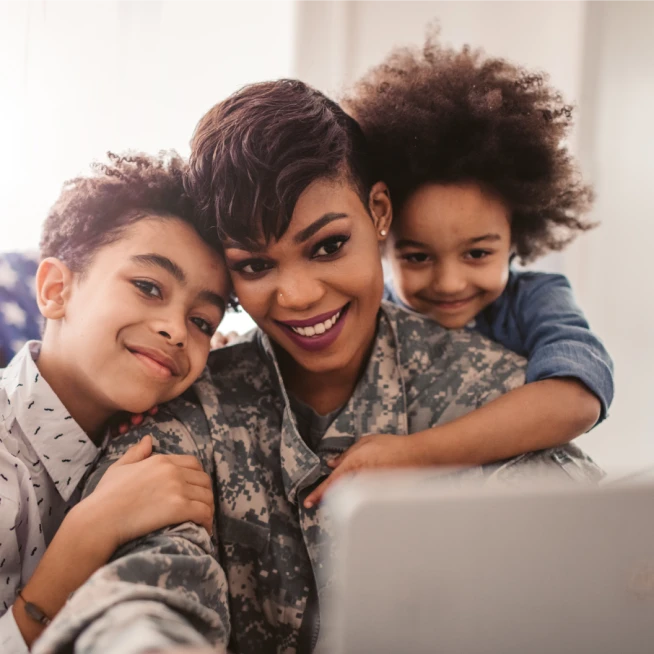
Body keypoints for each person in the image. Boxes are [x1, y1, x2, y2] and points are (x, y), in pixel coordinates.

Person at [33, 81, 601, 654]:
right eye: (256, 264)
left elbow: (597, 563)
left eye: (328, 246)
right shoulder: (186, 416)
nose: (300, 296)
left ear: (379, 212)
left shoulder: (493, 393)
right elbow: (141, 592)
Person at [301, 34, 614, 504]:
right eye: (417, 257)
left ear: (517, 237)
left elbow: (577, 399)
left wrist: (413, 455)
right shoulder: (376, 313)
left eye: (477, 254)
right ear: (381, 233)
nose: (449, 283)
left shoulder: (535, 300)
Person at [0, 151, 232, 652]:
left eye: (202, 322)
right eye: (148, 287)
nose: (175, 329)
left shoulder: (155, 427)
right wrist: (90, 531)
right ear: (56, 289)